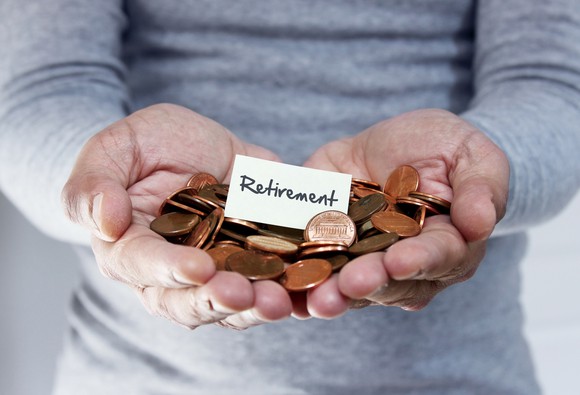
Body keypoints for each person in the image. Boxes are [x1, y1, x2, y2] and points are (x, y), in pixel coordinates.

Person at [1, 1, 579, 394]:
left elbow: (553, 84)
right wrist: (105, 177)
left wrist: (481, 169)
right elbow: (38, 92)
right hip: (139, 376)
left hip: (461, 375)